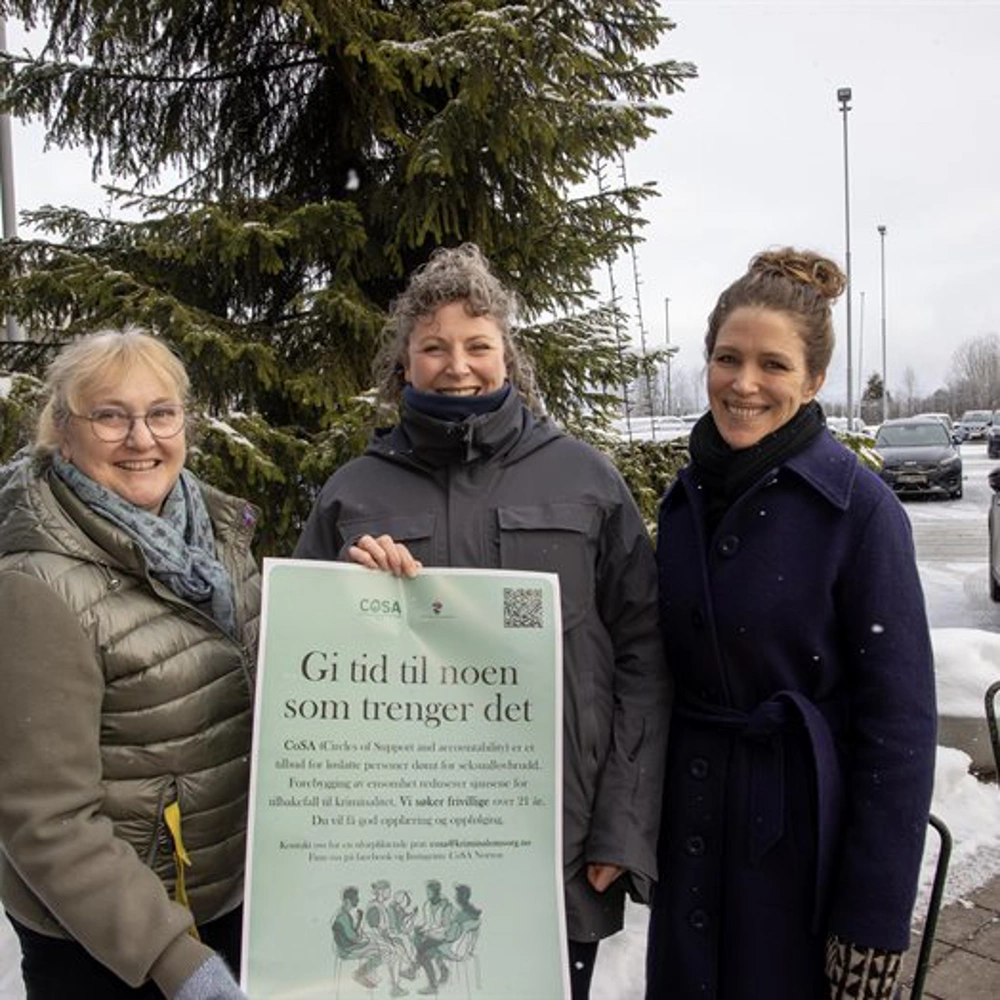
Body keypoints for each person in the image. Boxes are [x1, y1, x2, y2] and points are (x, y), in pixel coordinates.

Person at [294, 243, 671, 999]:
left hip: (554, 847)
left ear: (508, 355)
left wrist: (621, 830)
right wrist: (351, 604)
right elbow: (302, 662)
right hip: (398, 851)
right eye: (433, 346)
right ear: (405, 361)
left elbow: (645, 655)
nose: (456, 364)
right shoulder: (353, 495)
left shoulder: (585, 480)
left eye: (477, 345)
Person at [644, 249, 937, 999]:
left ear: (812, 382)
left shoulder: (860, 512)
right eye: (726, 358)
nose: (744, 384)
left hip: (803, 854)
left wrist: (872, 918)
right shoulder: (683, 504)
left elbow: (899, 731)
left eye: (772, 365)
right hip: (695, 838)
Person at [0, 330, 261, 1000]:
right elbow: (46, 819)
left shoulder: (215, 536)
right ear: (63, 431)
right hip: (113, 944)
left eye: (161, 413)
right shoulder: (39, 586)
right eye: (110, 416)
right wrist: (177, 961)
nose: (141, 438)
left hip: (219, 902)